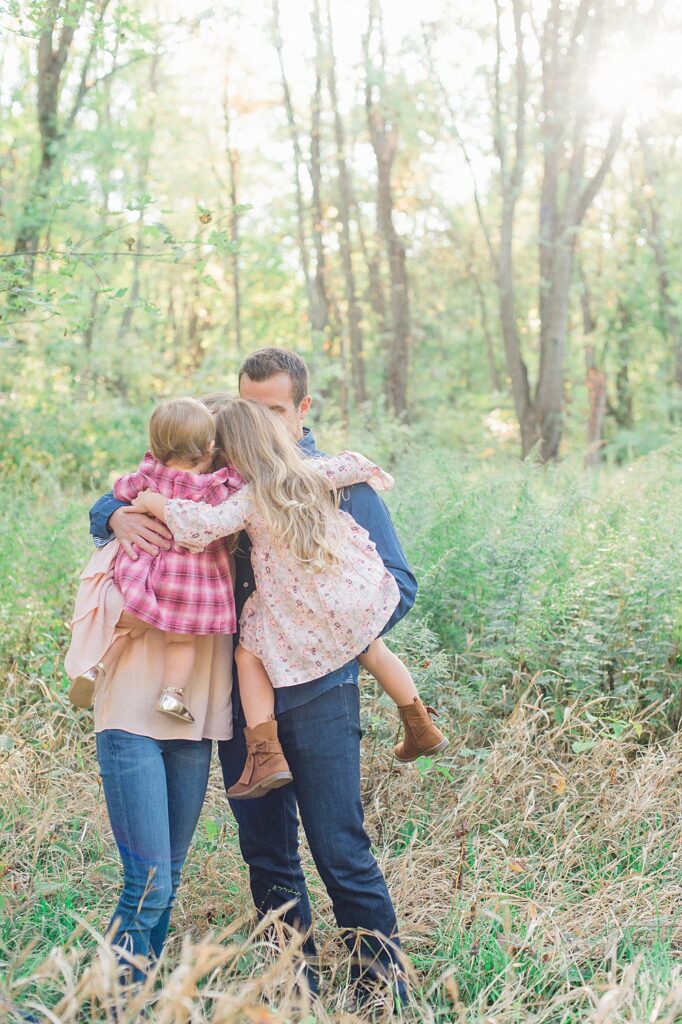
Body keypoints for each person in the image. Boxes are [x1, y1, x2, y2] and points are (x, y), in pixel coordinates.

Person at [89, 348, 420, 1002]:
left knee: (340, 849)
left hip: (321, 691)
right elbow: (138, 484)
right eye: (249, 408)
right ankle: (289, 987)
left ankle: (382, 993)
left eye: (274, 409)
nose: (259, 423)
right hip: (244, 704)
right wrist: (112, 516)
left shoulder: (331, 480)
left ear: (302, 410)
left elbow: (398, 588)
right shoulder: (220, 476)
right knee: (268, 856)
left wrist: (312, 639)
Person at [130, 399, 447, 799]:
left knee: (248, 655)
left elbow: (202, 526)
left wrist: (153, 503)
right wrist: (368, 467)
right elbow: (356, 466)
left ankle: (266, 756)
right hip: (350, 589)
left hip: (299, 603)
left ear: (231, 455)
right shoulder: (311, 472)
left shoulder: (248, 499)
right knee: (371, 647)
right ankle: (420, 724)